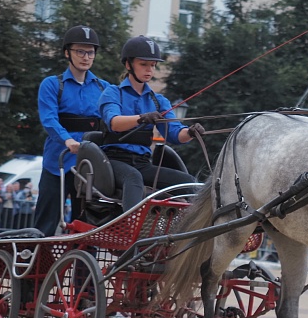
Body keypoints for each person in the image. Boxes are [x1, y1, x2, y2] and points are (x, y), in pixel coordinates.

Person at [98, 35, 204, 212]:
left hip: (142, 163)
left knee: (191, 183)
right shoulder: (113, 93)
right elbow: (114, 123)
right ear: (128, 64)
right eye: (143, 64)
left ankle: (197, 229)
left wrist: (191, 132)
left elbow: (175, 134)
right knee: (133, 178)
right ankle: (130, 229)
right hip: (113, 162)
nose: (149, 70)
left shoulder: (158, 101)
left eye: (153, 65)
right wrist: (141, 118)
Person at [34, 25, 110, 236]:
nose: (86, 57)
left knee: (87, 228)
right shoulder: (51, 84)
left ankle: (84, 268)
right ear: (67, 52)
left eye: (90, 52)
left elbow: (112, 121)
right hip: (57, 163)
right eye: (80, 51)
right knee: (45, 224)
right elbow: (49, 119)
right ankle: (36, 265)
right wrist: (67, 141)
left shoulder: (104, 88)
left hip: (90, 168)